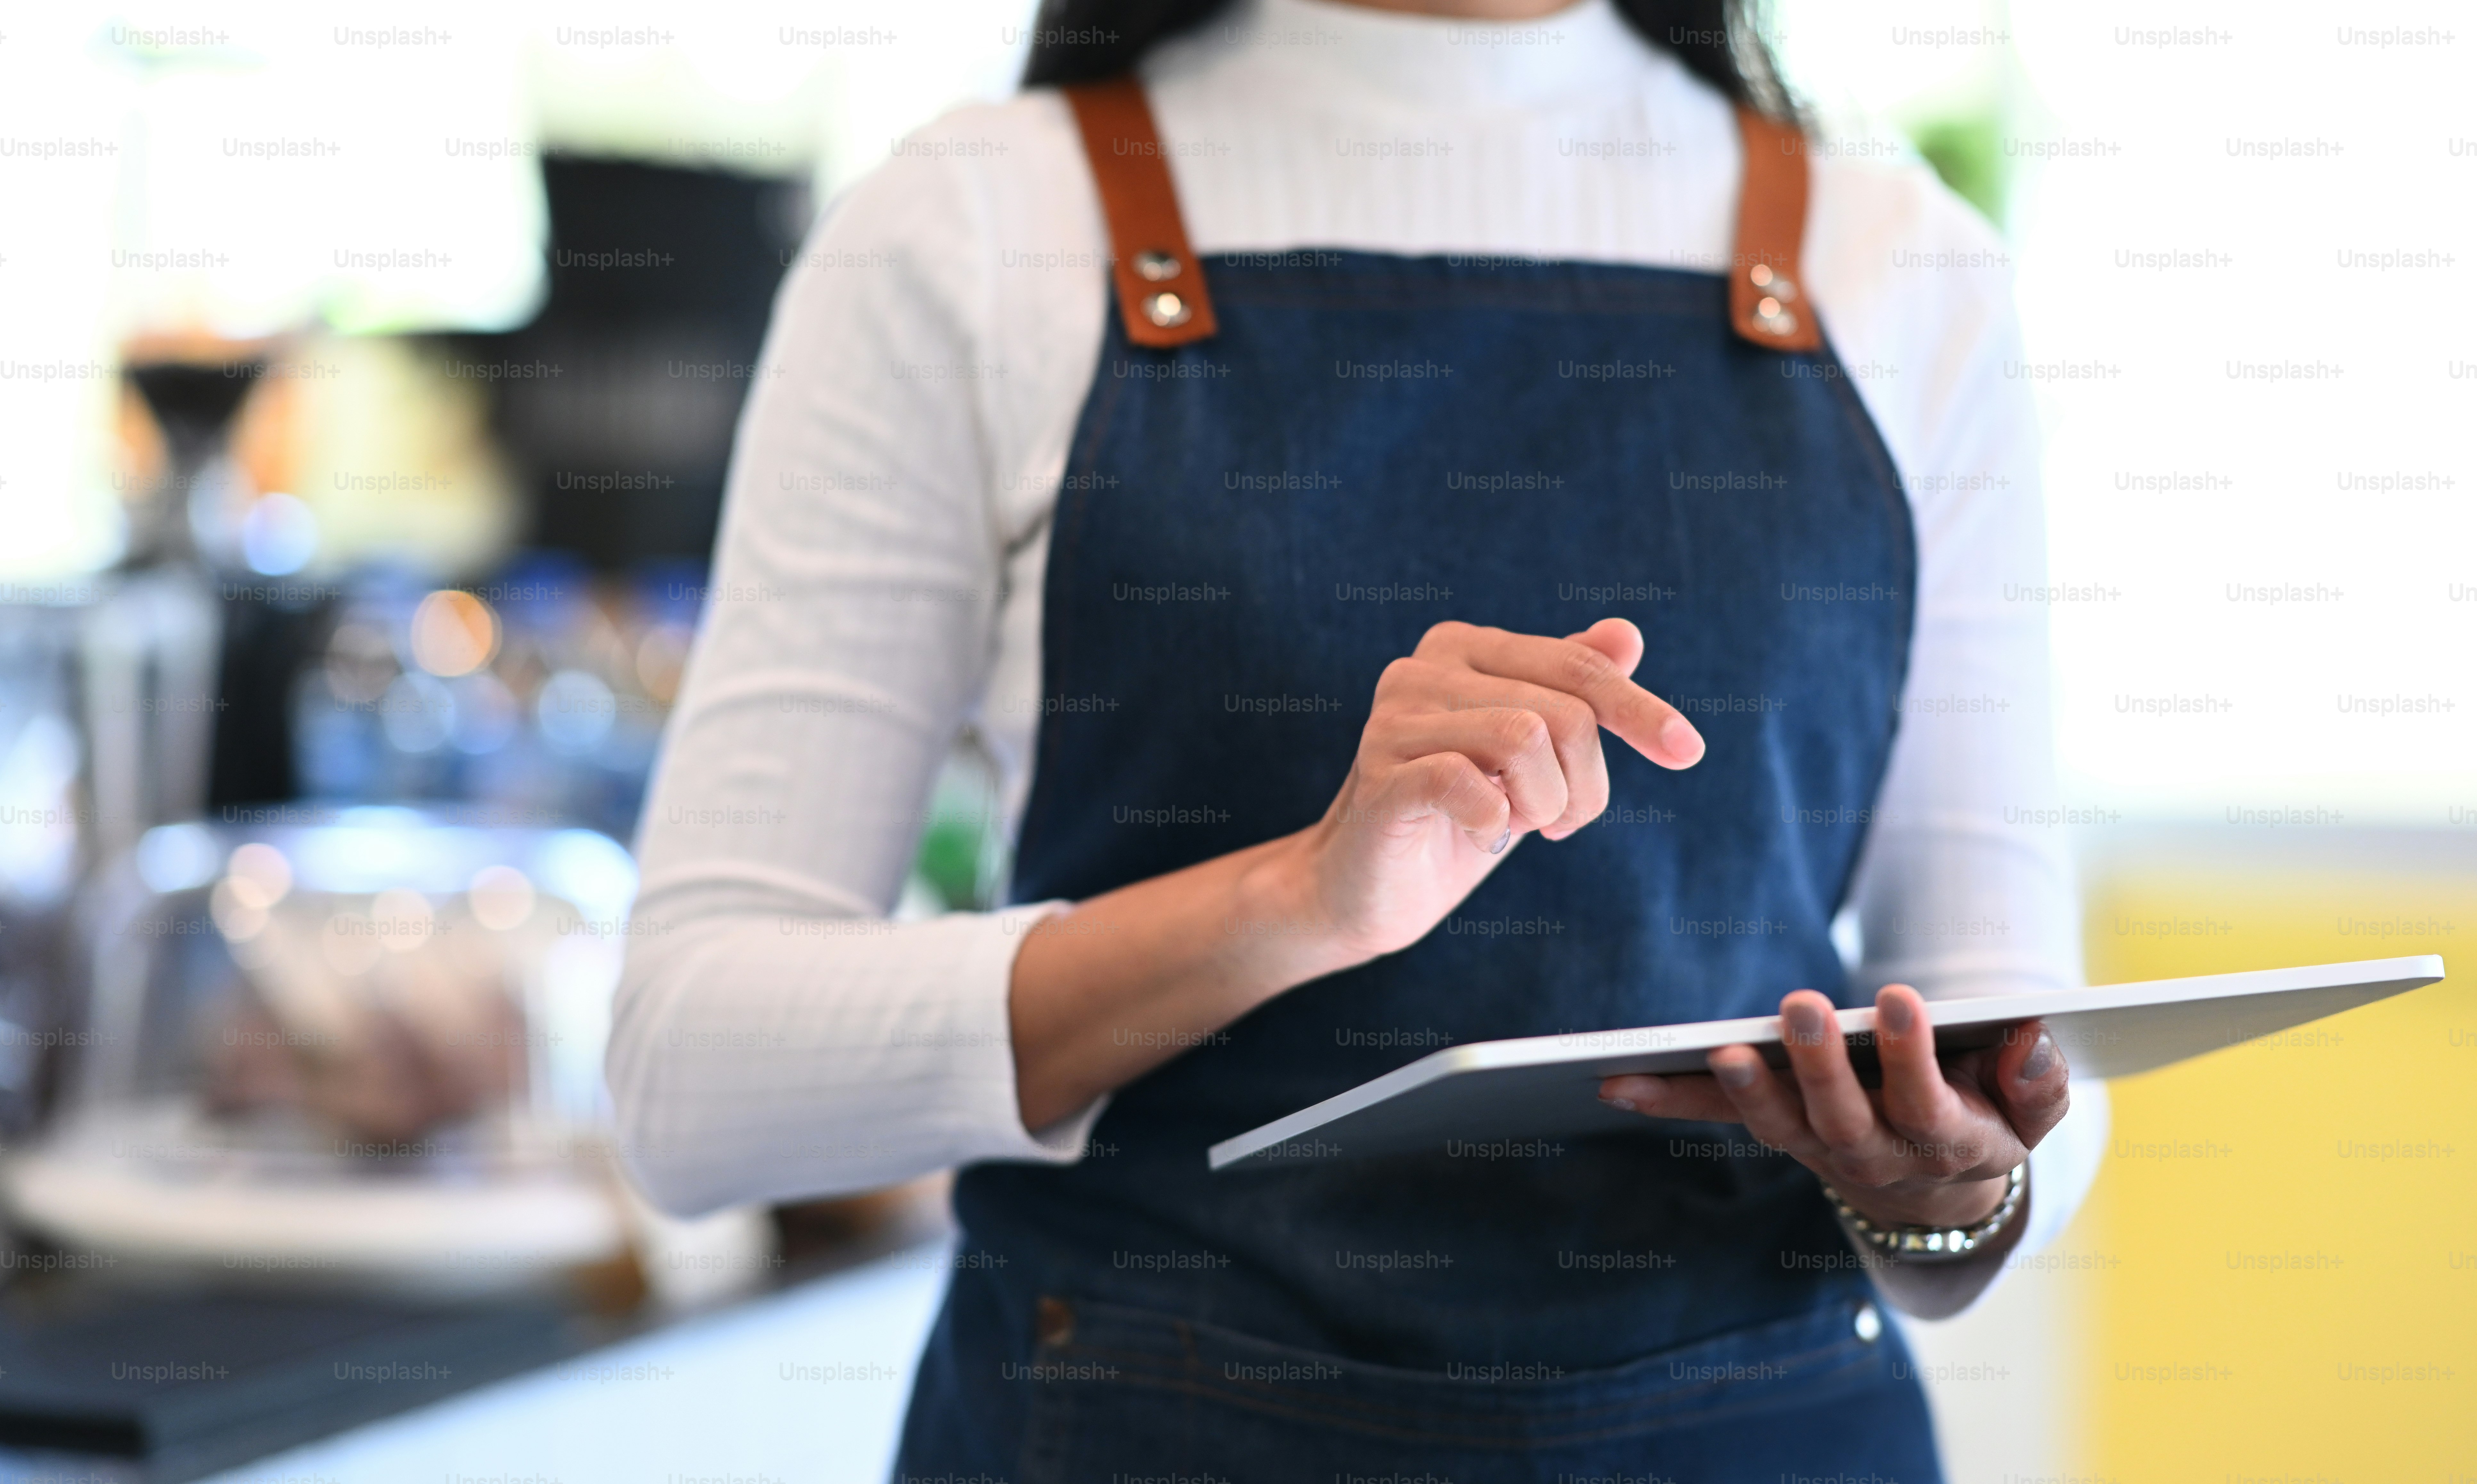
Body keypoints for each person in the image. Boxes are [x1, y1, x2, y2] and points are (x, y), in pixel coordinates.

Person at [608, 0, 2110, 1476]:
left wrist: (1954, 1186)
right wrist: (1298, 899)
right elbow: (697, 1071)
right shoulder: (974, 224)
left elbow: (2013, 1031)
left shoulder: (1904, 262)